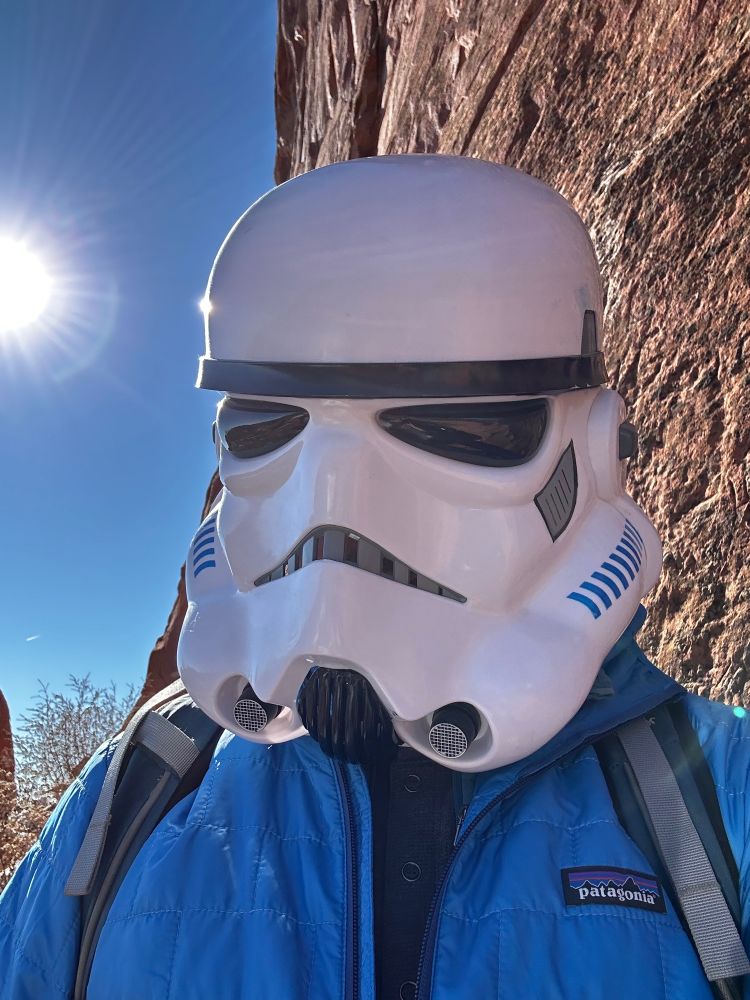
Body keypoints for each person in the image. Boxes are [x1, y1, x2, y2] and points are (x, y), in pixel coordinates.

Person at [1, 155, 749, 1000]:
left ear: (599, 452)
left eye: (457, 425)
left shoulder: (715, 799)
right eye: (269, 429)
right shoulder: (135, 792)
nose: (336, 507)